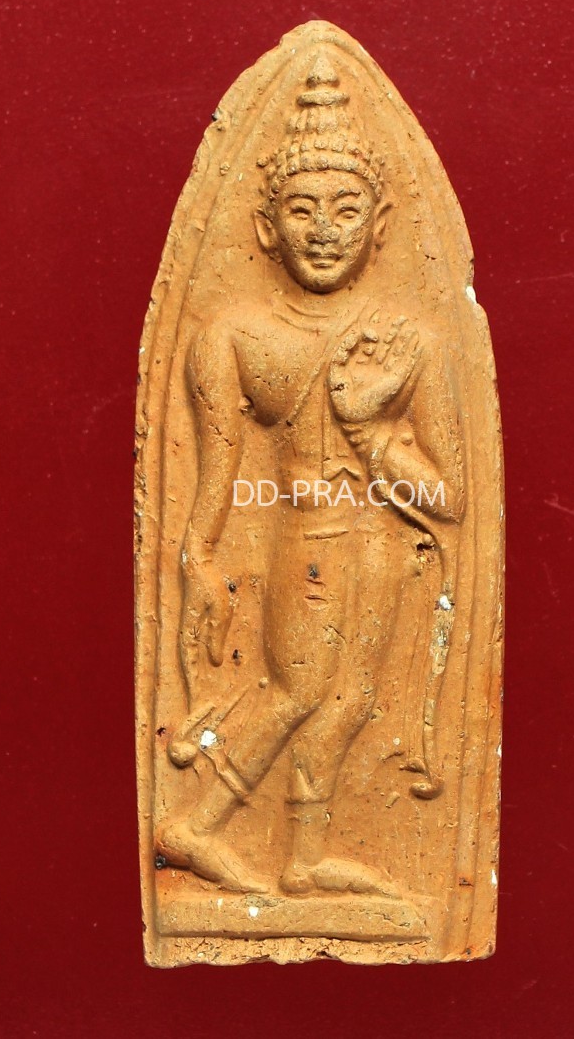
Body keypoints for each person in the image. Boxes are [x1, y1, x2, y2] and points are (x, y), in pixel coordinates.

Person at [157, 58, 464, 896]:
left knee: (351, 700)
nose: (324, 230)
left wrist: (368, 431)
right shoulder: (233, 334)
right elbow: (214, 471)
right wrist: (197, 559)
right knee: (296, 689)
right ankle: (193, 828)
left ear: (380, 223)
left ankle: (302, 857)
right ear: (265, 229)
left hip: (384, 550)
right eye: (301, 210)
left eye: (346, 209)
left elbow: (449, 498)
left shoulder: (408, 341)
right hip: (307, 537)